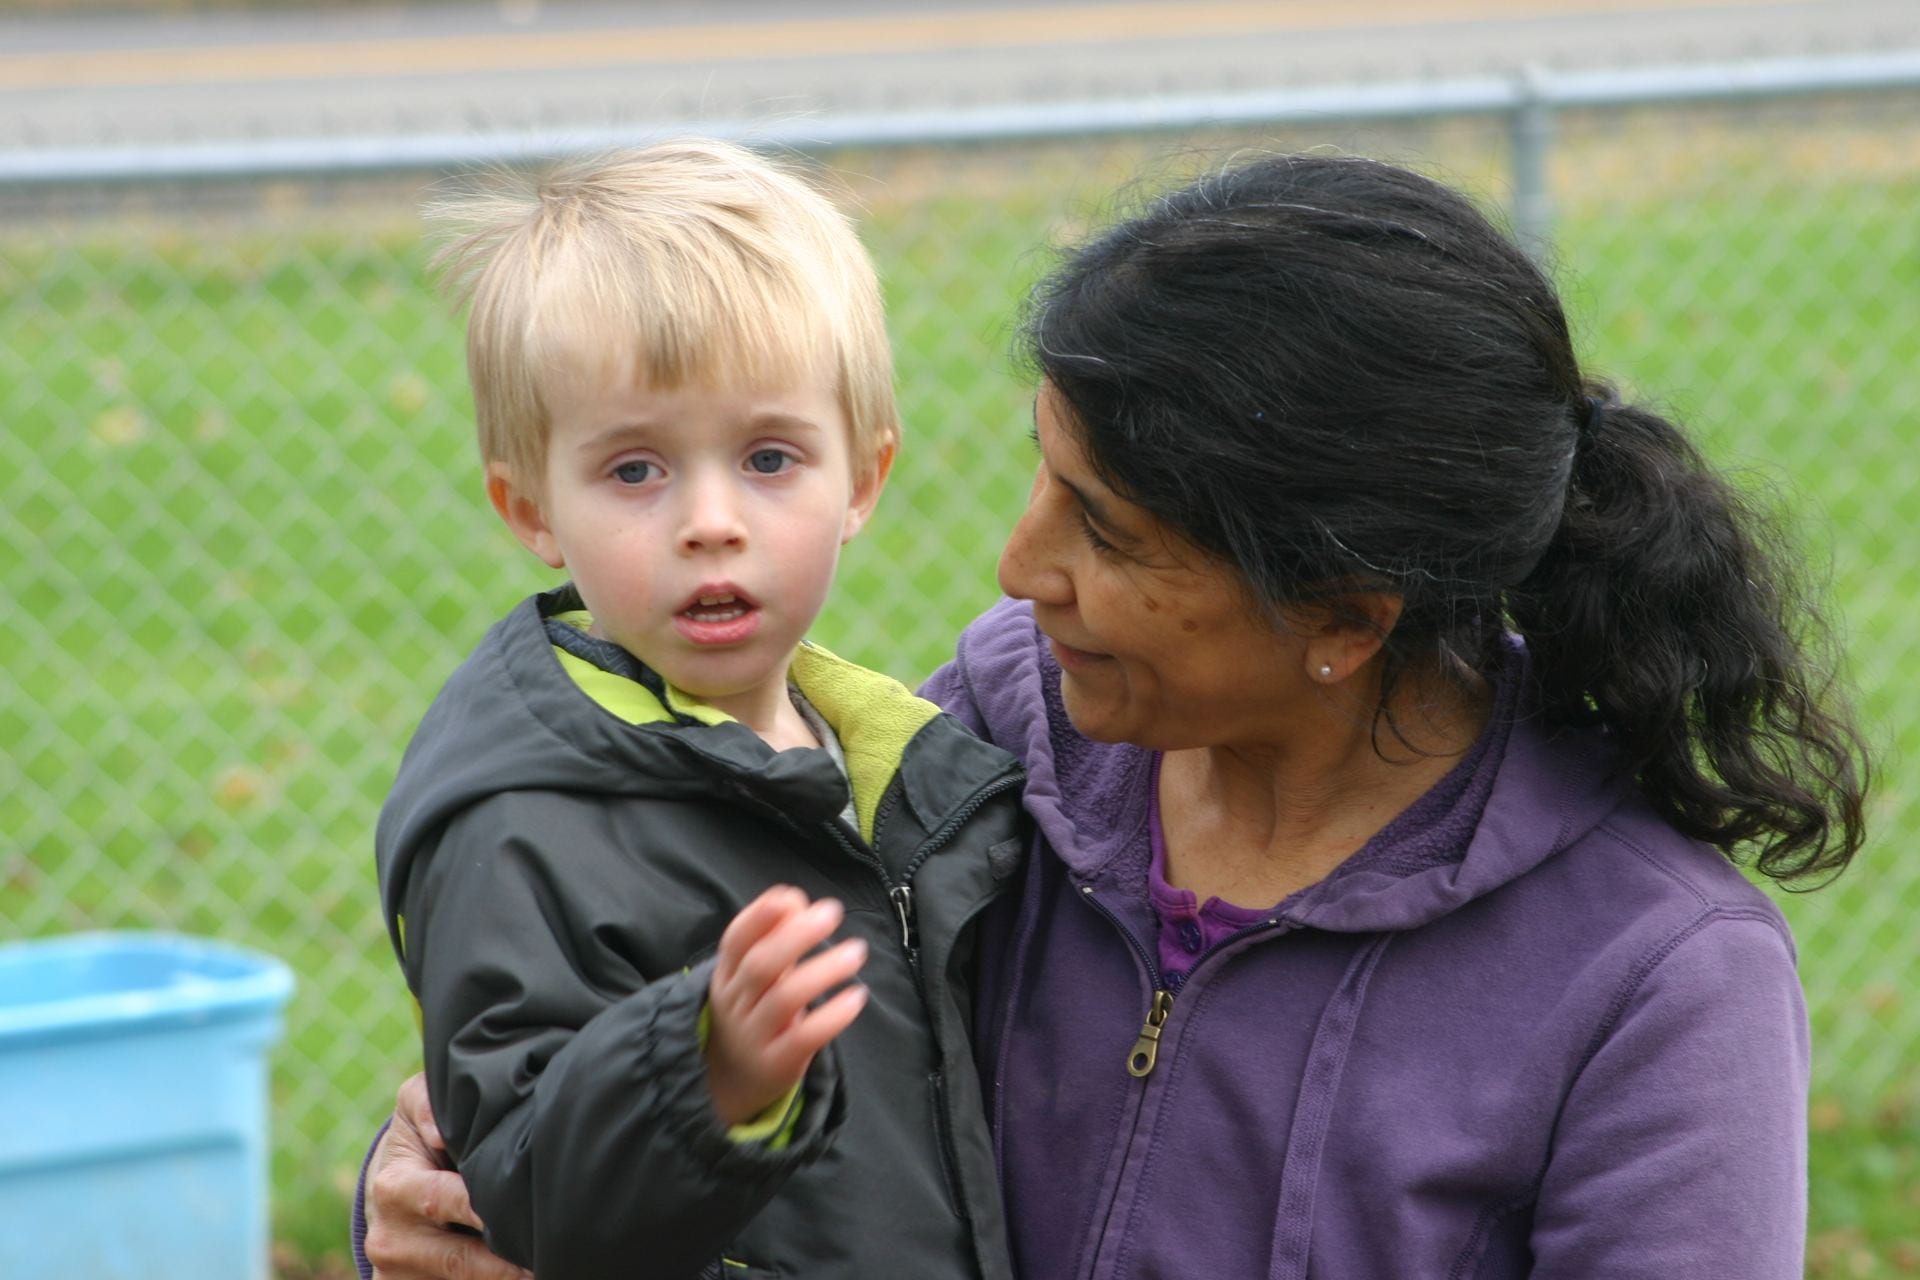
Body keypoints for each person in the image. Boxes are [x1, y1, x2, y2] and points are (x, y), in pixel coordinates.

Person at [358, 153, 1868, 1279]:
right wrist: (434, 1198)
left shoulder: (1657, 982)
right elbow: (642, 1086)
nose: (1019, 568)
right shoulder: (983, 756)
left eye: (1109, 531)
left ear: (1343, 616)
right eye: (1042, 473)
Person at [369, 140, 1027, 1280]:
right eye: (635, 470)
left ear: (862, 480)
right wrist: (700, 1069)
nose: (710, 519)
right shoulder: (521, 820)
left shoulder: (910, 765)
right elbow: (521, 1187)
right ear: (529, 505)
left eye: (770, 457)